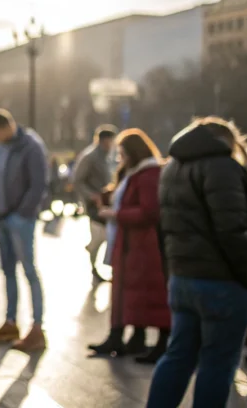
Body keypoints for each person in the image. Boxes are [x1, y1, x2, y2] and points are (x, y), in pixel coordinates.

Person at [146, 117, 247, 408]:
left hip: (183, 279)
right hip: (222, 282)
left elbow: (164, 229)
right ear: (225, 140)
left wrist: (171, 273)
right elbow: (232, 230)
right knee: (218, 363)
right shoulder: (223, 167)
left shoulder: (172, 168)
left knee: (177, 357)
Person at [89, 129, 170, 364]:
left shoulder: (148, 174)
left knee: (145, 293)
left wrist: (116, 213)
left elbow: (149, 211)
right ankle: (131, 336)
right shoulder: (138, 173)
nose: (120, 158)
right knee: (130, 292)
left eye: (123, 153)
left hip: (143, 245)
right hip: (132, 243)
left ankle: (141, 338)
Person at [0, 109, 49, 352]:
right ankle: (11, 321)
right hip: (0, 216)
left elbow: (39, 183)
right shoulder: (1, 147)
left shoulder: (30, 146)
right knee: (8, 271)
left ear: (7, 126)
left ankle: (37, 327)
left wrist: (22, 212)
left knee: (29, 270)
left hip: (19, 218)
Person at [72, 125, 118, 283]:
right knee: (100, 237)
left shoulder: (108, 156)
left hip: (106, 202)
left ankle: (94, 253)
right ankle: (94, 267)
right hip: (94, 204)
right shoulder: (90, 156)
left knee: (104, 236)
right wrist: (91, 195)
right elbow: (78, 180)